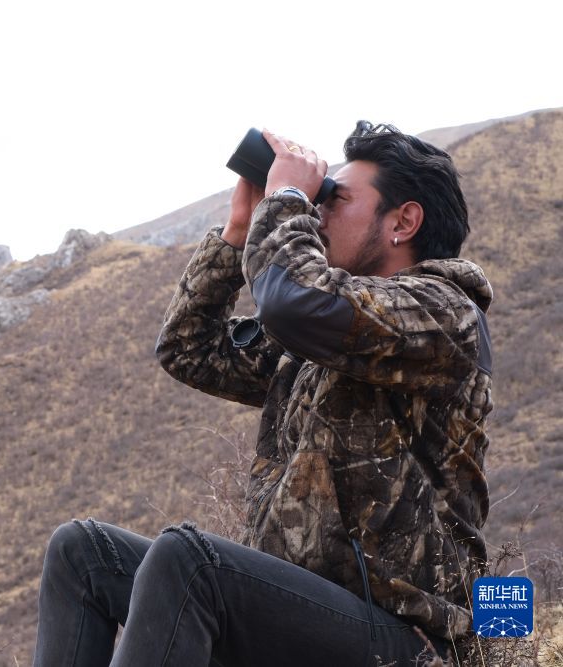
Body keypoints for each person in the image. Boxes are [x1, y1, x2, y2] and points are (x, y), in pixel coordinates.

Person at [32, 122, 492, 666]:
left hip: (406, 638)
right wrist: (236, 235)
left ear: (403, 222)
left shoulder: (445, 315)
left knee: (190, 562)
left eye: (335, 199)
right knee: (82, 553)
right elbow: (189, 349)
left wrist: (289, 197)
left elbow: (293, 302)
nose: (318, 212)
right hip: (301, 615)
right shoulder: (323, 340)